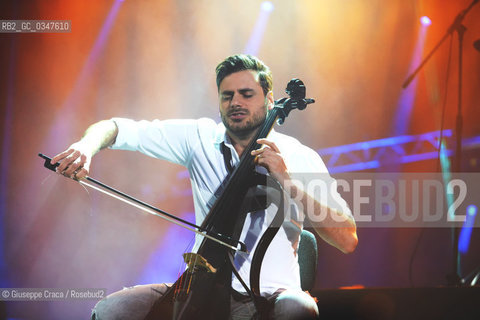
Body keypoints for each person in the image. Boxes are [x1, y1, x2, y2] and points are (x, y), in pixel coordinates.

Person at [52, 54, 358, 320]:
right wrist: (85, 147)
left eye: (246, 94)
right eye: (227, 95)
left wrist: (287, 179)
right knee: (112, 311)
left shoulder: (300, 156)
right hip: (200, 286)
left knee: (299, 309)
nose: (235, 102)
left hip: (270, 296)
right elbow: (118, 128)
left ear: (268, 99)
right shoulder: (199, 138)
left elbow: (347, 238)